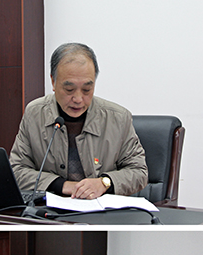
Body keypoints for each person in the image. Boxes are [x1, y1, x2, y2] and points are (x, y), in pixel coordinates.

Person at [10, 43, 148, 200]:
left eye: (86, 90)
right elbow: (16, 170)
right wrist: (61, 185)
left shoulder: (118, 118)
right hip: (51, 209)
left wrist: (104, 182)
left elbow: (139, 172)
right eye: (69, 90)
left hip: (102, 210)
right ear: (53, 82)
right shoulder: (35, 114)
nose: (78, 99)